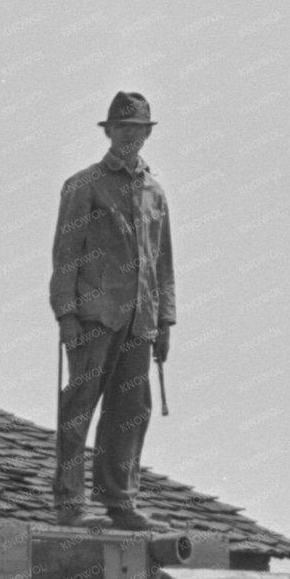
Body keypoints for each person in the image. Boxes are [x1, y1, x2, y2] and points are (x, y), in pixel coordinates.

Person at [50, 91, 176, 531]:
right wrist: (66, 314)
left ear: (146, 134)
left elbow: (163, 263)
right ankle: (69, 501)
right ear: (109, 131)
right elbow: (65, 254)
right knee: (80, 403)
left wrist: (165, 321)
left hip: (141, 319)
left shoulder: (154, 193)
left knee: (132, 408)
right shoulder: (84, 186)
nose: (131, 136)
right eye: (123, 128)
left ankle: (120, 501)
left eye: (138, 129)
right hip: (94, 315)